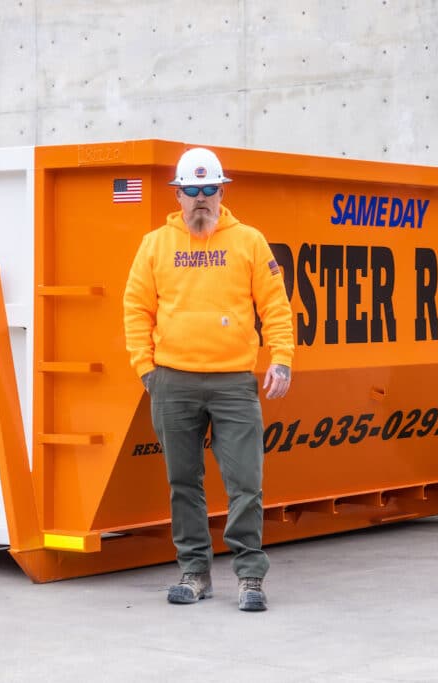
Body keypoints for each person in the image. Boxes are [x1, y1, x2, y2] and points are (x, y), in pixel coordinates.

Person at [123, 147, 294, 612]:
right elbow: (136, 308)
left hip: (234, 383)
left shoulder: (250, 242)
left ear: (222, 191)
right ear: (178, 195)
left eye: (209, 189)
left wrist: (281, 359)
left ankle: (250, 578)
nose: (201, 199)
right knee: (184, 482)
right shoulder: (155, 244)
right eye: (191, 191)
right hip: (172, 382)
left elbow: (274, 307)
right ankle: (194, 573)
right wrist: (146, 369)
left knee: (246, 482)